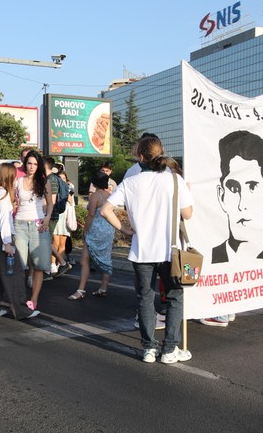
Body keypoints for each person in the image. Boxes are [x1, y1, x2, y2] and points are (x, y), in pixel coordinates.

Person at [100, 136, 194, 364]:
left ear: (140, 157)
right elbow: (188, 214)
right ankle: (170, 349)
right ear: (161, 153)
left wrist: (125, 229)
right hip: (171, 251)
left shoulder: (130, 182)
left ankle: (149, 349)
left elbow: (105, 210)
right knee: (175, 298)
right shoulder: (175, 180)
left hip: (141, 250)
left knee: (145, 299)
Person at [0, 163, 40, 320]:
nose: (16, 178)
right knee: (14, 273)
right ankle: (21, 310)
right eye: (14, 175)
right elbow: (5, 220)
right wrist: (8, 243)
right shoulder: (4, 193)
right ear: (9, 176)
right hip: (2, 238)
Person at [211, 130, 263, 264]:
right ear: (221, 196)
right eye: (234, 189)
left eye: (252, 187)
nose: (242, 205)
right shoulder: (207, 258)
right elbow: (190, 271)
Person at [14, 150, 54, 311]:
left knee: (39, 264)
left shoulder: (44, 182)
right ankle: (18, 298)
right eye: (29, 163)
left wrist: (47, 217)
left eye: (35, 164)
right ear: (25, 164)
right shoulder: (18, 181)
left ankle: (34, 299)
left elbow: (50, 203)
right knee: (19, 264)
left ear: (39, 166)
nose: (31, 166)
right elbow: (12, 201)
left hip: (39, 225)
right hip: (20, 224)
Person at [69, 172, 115, 300]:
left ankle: (81, 290)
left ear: (94, 184)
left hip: (95, 230)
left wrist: (85, 230)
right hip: (108, 229)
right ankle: (103, 287)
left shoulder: (95, 196)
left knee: (84, 260)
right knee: (106, 258)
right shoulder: (111, 196)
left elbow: (90, 215)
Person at [44, 157, 71, 277]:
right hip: (50, 215)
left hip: (50, 216)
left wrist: (46, 216)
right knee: (45, 241)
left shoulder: (51, 180)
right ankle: (54, 266)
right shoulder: (51, 178)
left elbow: (52, 200)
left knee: (45, 241)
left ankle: (58, 264)